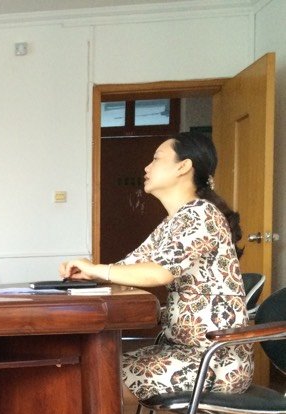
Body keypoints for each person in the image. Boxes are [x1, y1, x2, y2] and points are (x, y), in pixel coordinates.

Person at [59, 131, 253, 400]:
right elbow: (130, 266)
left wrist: (97, 269)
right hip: (183, 353)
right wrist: (88, 273)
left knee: (92, 378)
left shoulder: (201, 214)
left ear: (183, 167)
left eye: (156, 159)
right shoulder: (172, 223)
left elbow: (160, 272)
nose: (146, 167)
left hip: (212, 362)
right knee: (86, 369)